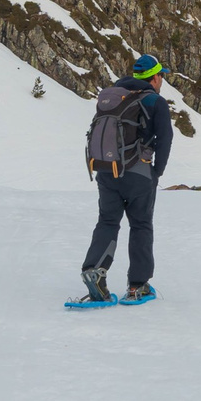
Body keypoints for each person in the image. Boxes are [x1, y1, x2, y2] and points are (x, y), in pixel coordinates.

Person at [79, 54, 174, 304]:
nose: (161, 80)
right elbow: (165, 140)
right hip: (139, 174)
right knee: (141, 225)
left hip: (106, 170)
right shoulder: (155, 101)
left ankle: (94, 270)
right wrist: (157, 172)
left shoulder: (114, 98)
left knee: (107, 222)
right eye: (161, 76)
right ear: (154, 78)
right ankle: (137, 286)